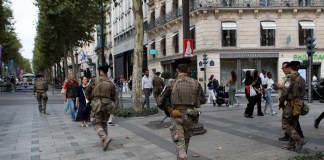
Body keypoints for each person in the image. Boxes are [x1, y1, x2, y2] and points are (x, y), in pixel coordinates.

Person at [157, 58, 206, 160]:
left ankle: (182, 157)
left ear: (177, 70)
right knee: (185, 143)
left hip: (176, 115)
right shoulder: (196, 83)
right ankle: (182, 156)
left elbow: (159, 101)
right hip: (190, 117)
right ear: (188, 69)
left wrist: (168, 109)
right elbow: (203, 100)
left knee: (180, 143)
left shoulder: (171, 84)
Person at [85, 63, 117, 151]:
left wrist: (90, 98)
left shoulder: (94, 80)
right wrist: (113, 105)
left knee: (95, 122)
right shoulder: (111, 82)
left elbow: (87, 92)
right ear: (107, 71)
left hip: (97, 104)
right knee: (104, 123)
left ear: (100, 71)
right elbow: (114, 96)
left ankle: (104, 138)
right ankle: (104, 142)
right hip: (107, 104)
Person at [279, 61, 306, 151]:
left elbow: (285, 93)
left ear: (290, 68)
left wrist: (281, 102)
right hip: (298, 105)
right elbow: (303, 93)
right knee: (293, 124)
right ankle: (291, 144)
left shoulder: (290, 78)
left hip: (290, 105)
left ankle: (299, 140)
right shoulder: (301, 78)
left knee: (285, 125)